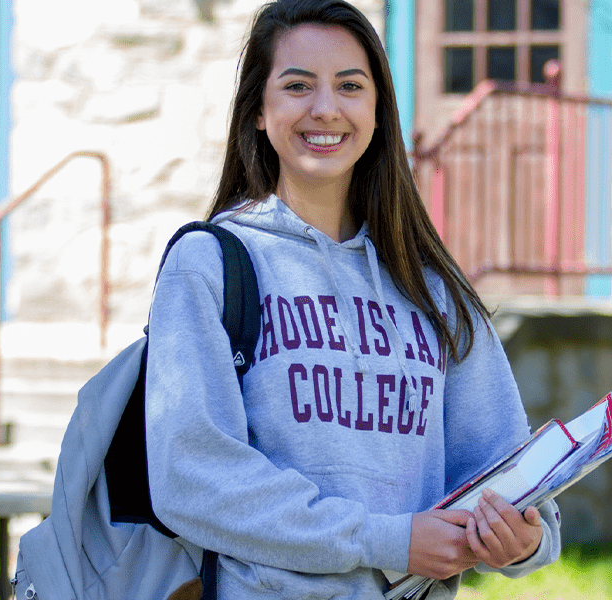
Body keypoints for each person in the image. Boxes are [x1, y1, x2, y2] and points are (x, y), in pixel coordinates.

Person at [143, 0, 562, 597]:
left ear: (375, 109)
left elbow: (507, 470)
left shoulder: (434, 288)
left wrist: (524, 538)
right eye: (296, 86)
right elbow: (193, 475)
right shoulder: (210, 265)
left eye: (349, 86)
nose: (325, 109)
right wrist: (383, 538)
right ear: (259, 111)